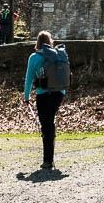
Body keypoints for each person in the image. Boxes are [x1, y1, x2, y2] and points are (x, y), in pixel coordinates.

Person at [24, 30, 64, 171]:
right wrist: (61, 92)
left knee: (45, 125)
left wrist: (26, 96)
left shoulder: (34, 57)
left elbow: (29, 78)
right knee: (50, 122)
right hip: (58, 93)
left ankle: (47, 160)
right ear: (50, 41)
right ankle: (49, 157)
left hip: (42, 94)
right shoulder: (58, 55)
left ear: (38, 42)